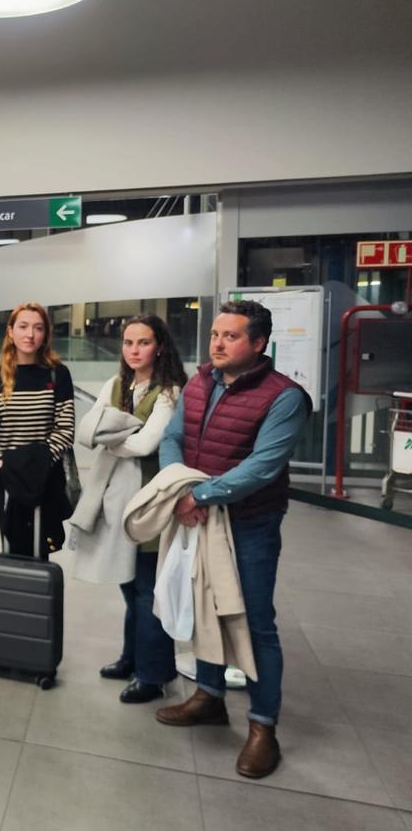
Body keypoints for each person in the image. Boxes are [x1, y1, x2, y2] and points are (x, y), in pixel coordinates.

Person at [153, 300, 310, 780]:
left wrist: (199, 493)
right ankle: (210, 696)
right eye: (215, 334)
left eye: (230, 336)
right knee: (204, 607)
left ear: (258, 344)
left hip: (249, 523)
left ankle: (264, 726)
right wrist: (182, 488)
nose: (217, 343)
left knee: (254, 620)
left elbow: (263, 466)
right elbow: (171, 438)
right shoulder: (200, 381)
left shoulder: (285, 397)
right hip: (197, 514)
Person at [71, 315, 187, 703]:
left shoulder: (169, 392)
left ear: (160, 347)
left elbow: (146, 445)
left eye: (143, 342)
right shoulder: (116, 384)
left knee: (146, 589)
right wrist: (122, 434)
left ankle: (152, 675)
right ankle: (132, 658)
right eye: (128, 343)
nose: (134, 350)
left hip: (149, 503)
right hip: (116, 499)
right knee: (128, 582)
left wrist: (113, 437)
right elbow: (88, 431)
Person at [0, 303, 75, 559]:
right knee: (11, 545)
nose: (30, 335)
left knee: (40, 549)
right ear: (10, 331)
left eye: (38, 328)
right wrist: (2, 462)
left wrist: (39, 462)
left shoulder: (58, 375)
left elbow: (65, 428)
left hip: (46, 479)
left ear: (46, 334)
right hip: (7, 478)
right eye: (23, 327)